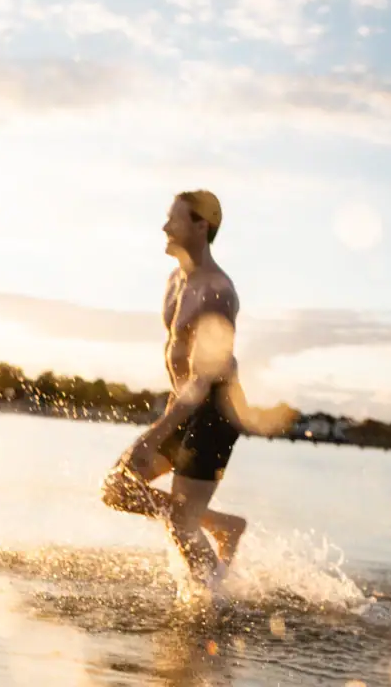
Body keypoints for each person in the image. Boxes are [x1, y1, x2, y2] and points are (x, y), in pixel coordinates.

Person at [101, 190, 248, 588]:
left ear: (201, 226)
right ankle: (222, 526)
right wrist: (167, 418)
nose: (165, 227)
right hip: (183, 406)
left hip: (216, 411)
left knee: (181, 525)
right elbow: (180, 369)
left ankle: (210, 598)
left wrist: (154, 434)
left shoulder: (218, 292)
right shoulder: (175, 280)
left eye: (175, 219)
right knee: (117, 488)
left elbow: (204, 378)